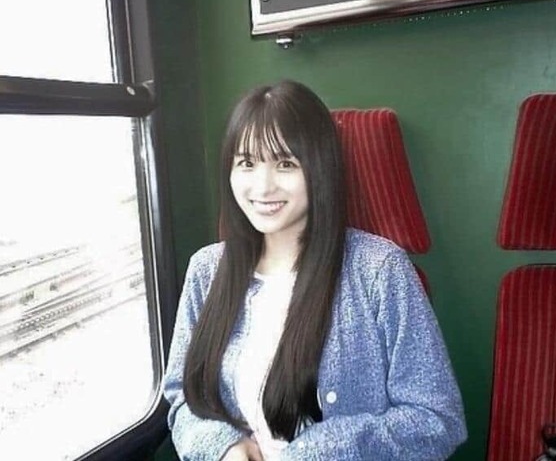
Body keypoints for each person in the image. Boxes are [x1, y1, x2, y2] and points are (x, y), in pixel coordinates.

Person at [163, 80, 467, 460]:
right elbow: (181, 396)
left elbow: (437, 420)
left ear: (320, 168)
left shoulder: (379, 270)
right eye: (247, 163)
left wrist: (315, 452)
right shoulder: (206, 271)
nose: (263, 187)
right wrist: (224, 447)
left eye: (285, 164)